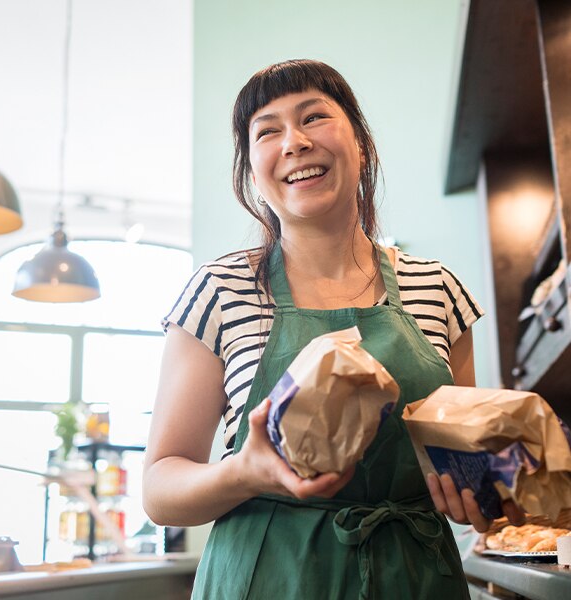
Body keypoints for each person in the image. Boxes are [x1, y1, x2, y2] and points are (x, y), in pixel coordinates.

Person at [143, 59, 524, 599]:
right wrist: (244, 473)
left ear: (361, 145)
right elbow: (160, 491)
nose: (294, 142)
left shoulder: (437, 289)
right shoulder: (220, 292)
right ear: (253, 170)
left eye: (314, 117)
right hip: (267, 580)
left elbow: (467, 458)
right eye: (268, 131)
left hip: (415, 579)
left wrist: (488, 495)